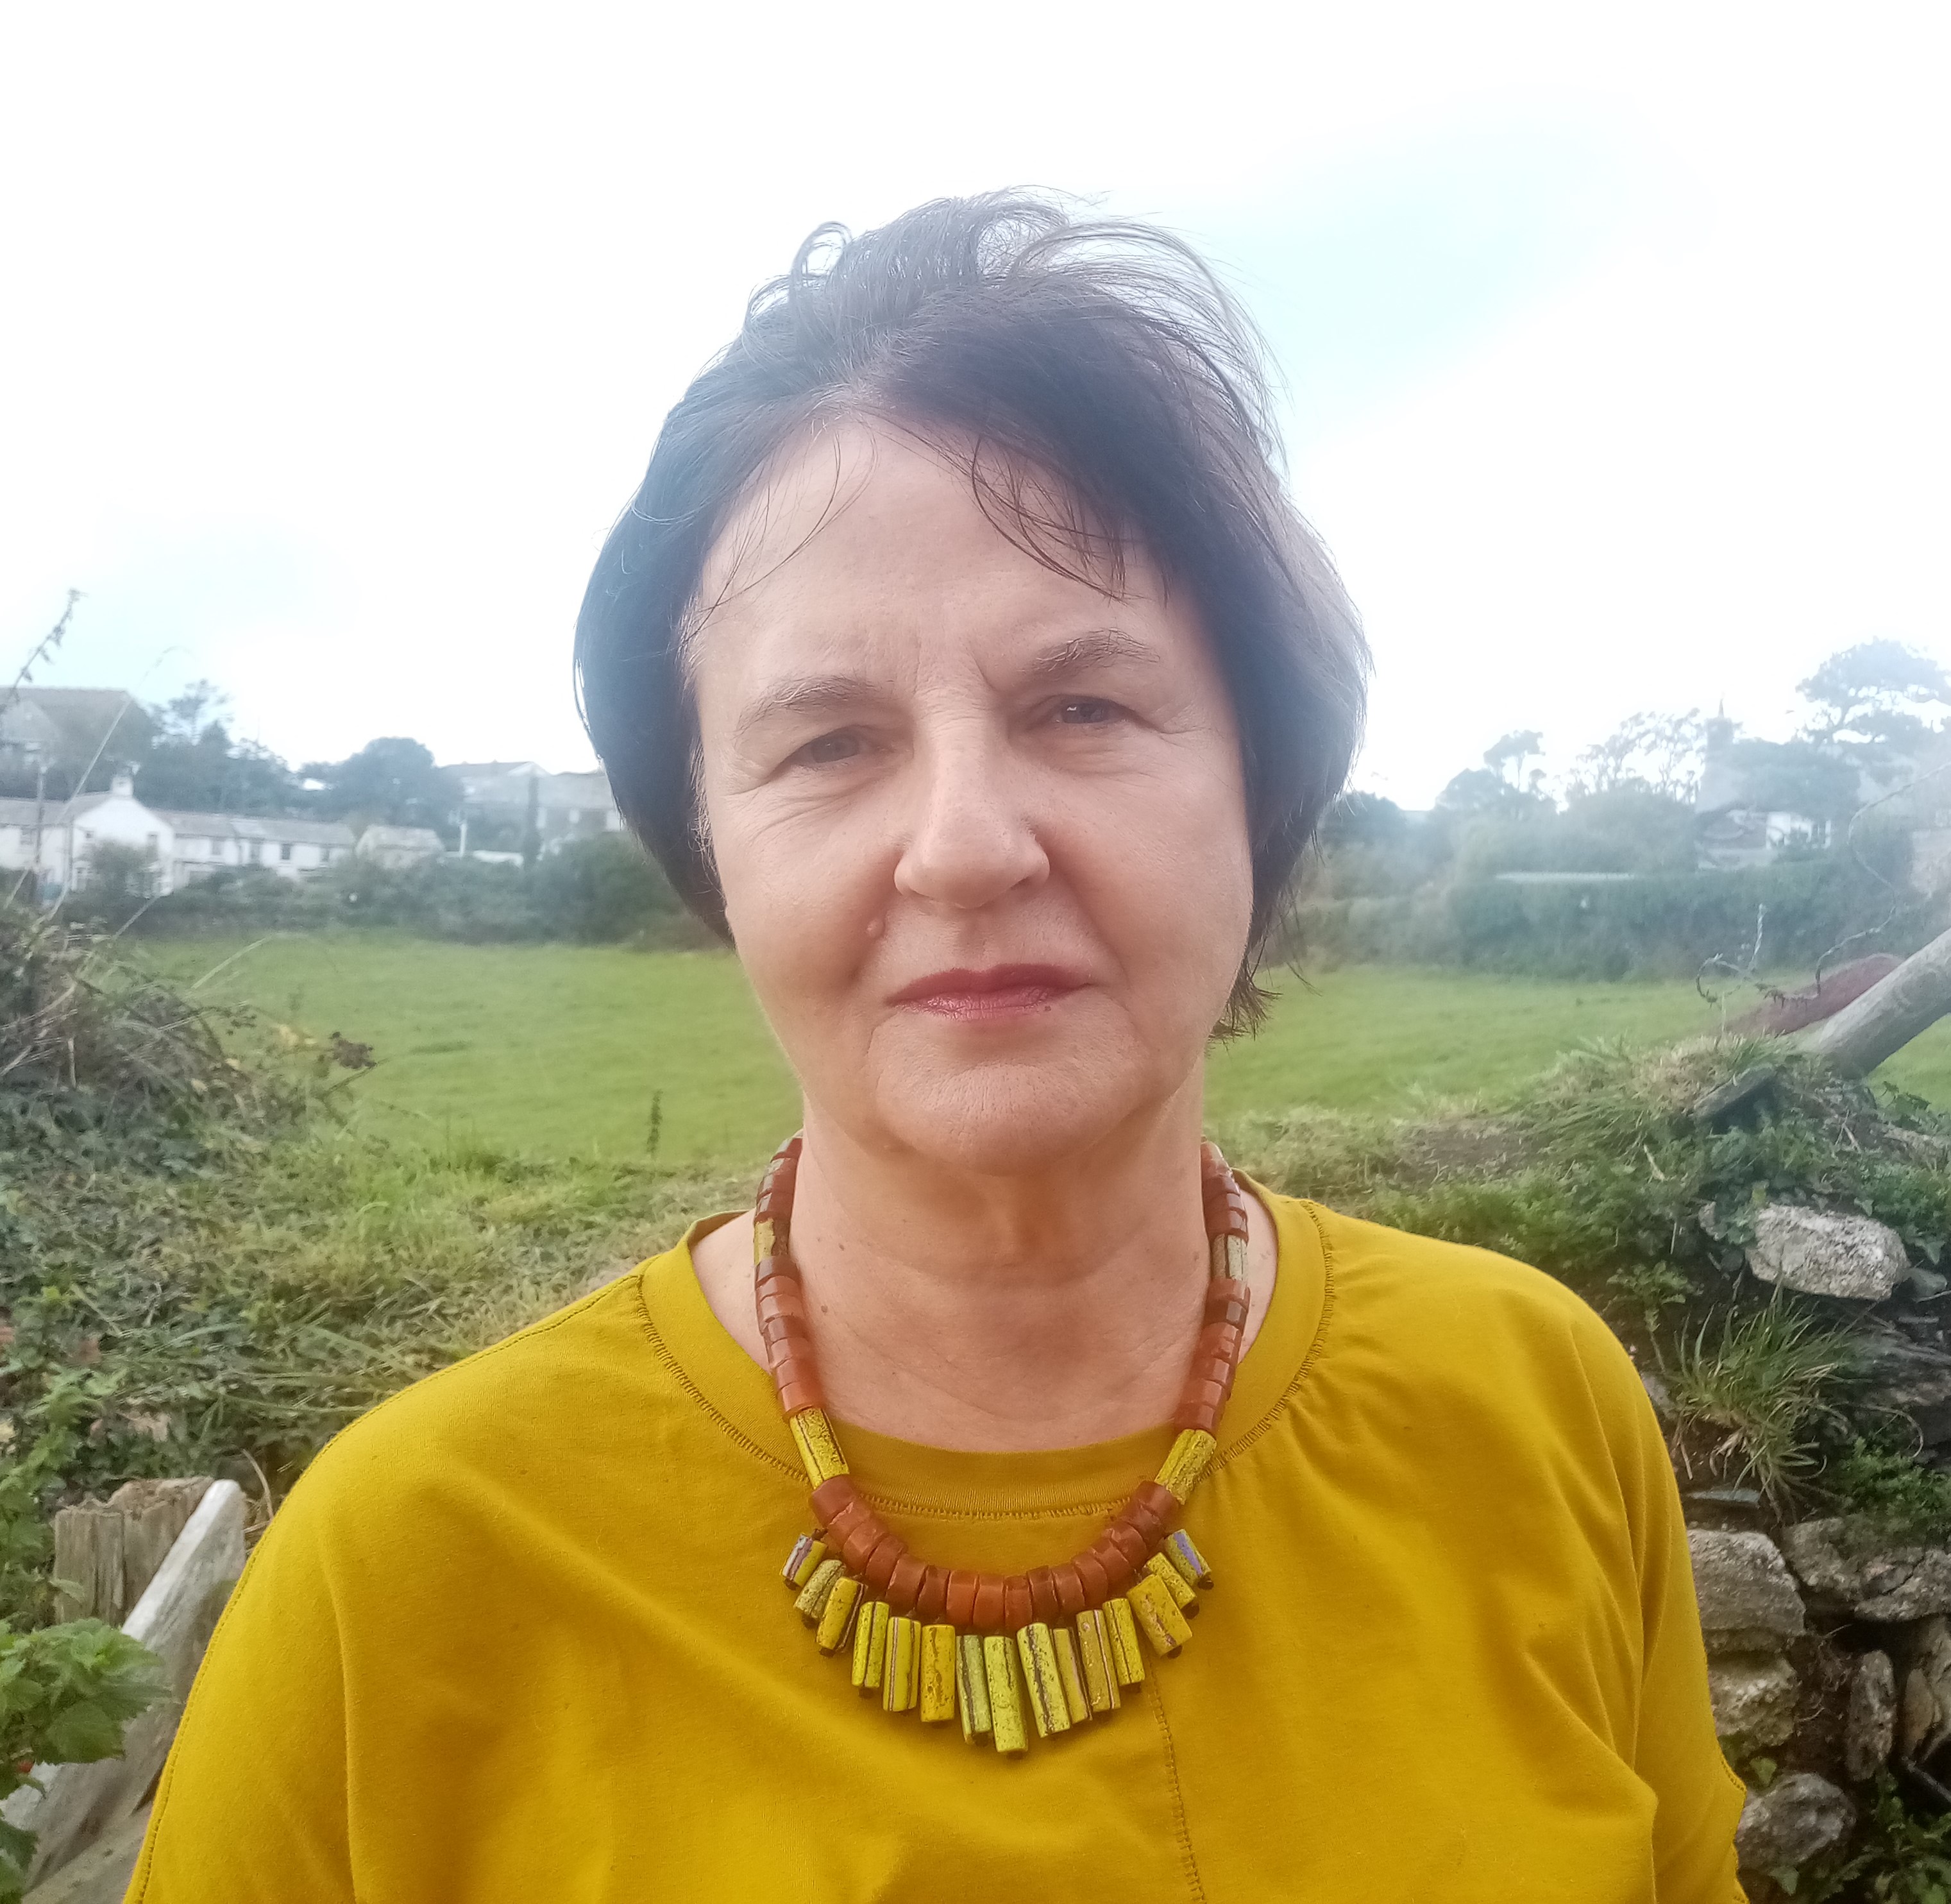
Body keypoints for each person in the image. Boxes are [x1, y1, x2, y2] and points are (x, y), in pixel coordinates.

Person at [130, 194, 1744, 1901]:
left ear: (1256, 788)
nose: (966, 846)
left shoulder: (1534, 1409)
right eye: (829, 741)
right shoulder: (406, 1571)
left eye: (1081, 707)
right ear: (711, 852)